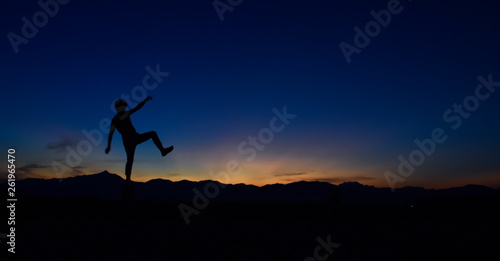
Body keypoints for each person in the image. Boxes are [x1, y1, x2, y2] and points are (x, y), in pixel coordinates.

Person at [105, 96, 173, 181]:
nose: (124, 108)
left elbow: (111, 134)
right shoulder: (118, 118)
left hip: (133, 138)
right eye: (123, 107)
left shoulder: (117, 118)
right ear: (118, 108)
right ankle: (128, 178)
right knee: (130, 159)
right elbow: (137, 108)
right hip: (130, 140)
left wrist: (109, 146)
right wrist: (108, 146)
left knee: (130, 159)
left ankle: (128, 178)